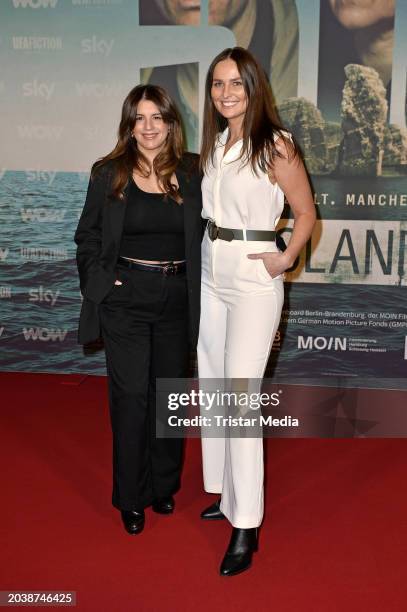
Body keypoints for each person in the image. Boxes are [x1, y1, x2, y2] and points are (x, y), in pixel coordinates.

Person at [198, 47, 316, 576]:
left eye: (235, 85)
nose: (225, 94)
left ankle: (247, 524)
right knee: (214, 383)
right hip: (210, 271)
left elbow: (307, 211)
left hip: (252, 277)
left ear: (253, 87)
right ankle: (225, 495)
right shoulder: (217, 142)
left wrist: (286, 258)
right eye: (218, 85)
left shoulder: (276, 144)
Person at [74, 84, 202, 535]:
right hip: (126, 298)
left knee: (168, 397)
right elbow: (87, 236)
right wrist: (101, 285)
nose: (148, 128)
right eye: (139, 118)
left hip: (177, 296)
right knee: (131, 399)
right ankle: (131, 495)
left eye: (157, 118)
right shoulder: (109, 172)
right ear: (129, 125)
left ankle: (163, 486)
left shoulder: (193, 171)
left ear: (171, 122)